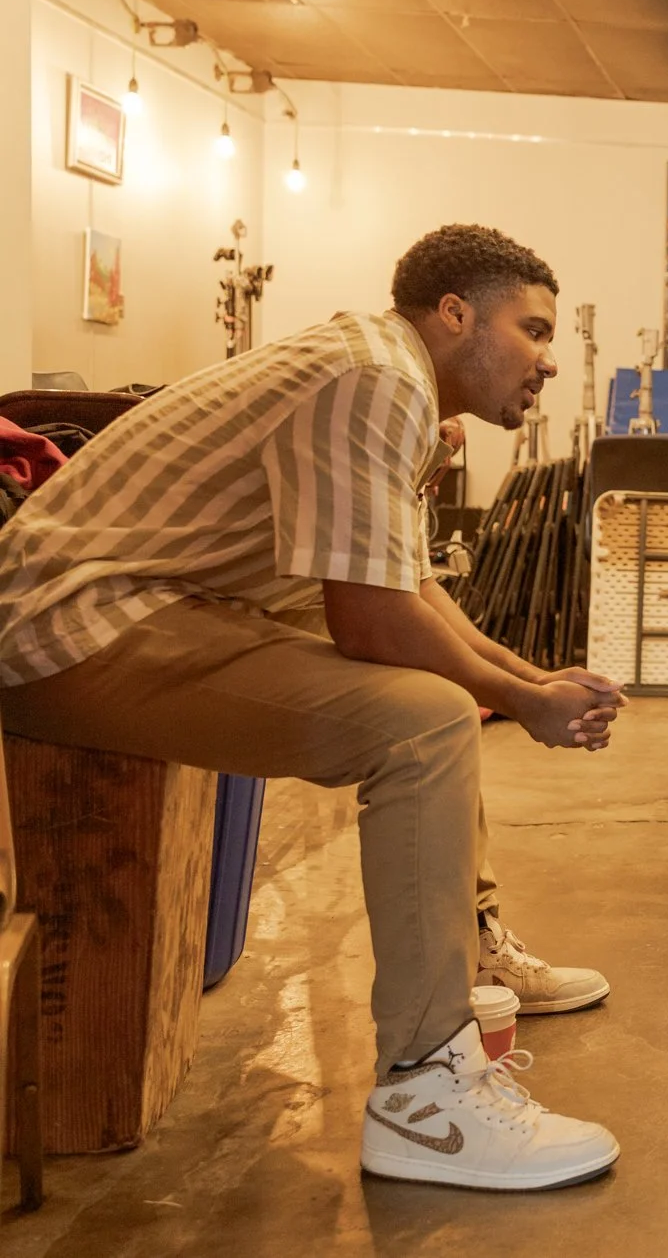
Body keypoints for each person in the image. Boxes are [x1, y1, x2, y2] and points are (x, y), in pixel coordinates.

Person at [0, 225, 628, 1189]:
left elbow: (410, 589)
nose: (546, 358)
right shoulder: (376, 378)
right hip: (71, 620)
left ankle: (473, 950)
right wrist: (513, 698)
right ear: (454, 314)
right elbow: (374, 621)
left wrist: (530, 681)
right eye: (532, 329)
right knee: (424, 720)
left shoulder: (381, 369)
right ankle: (424, 1096)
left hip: (152, 599)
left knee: (445, 696)